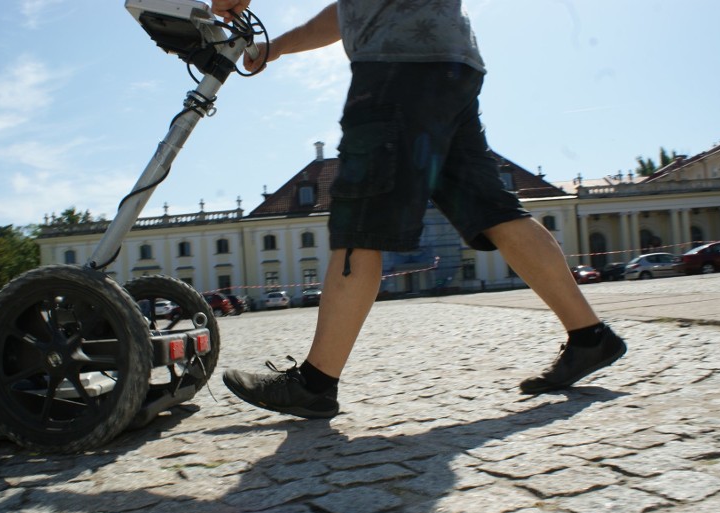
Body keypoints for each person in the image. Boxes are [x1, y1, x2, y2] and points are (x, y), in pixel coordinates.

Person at [212, 0, 627, 418]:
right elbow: (349, 10)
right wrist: (277, 46)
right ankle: (589, 335)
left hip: (398, 67)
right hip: (450, 64)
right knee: (493, 209)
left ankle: (315, 383)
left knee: (360, 220)